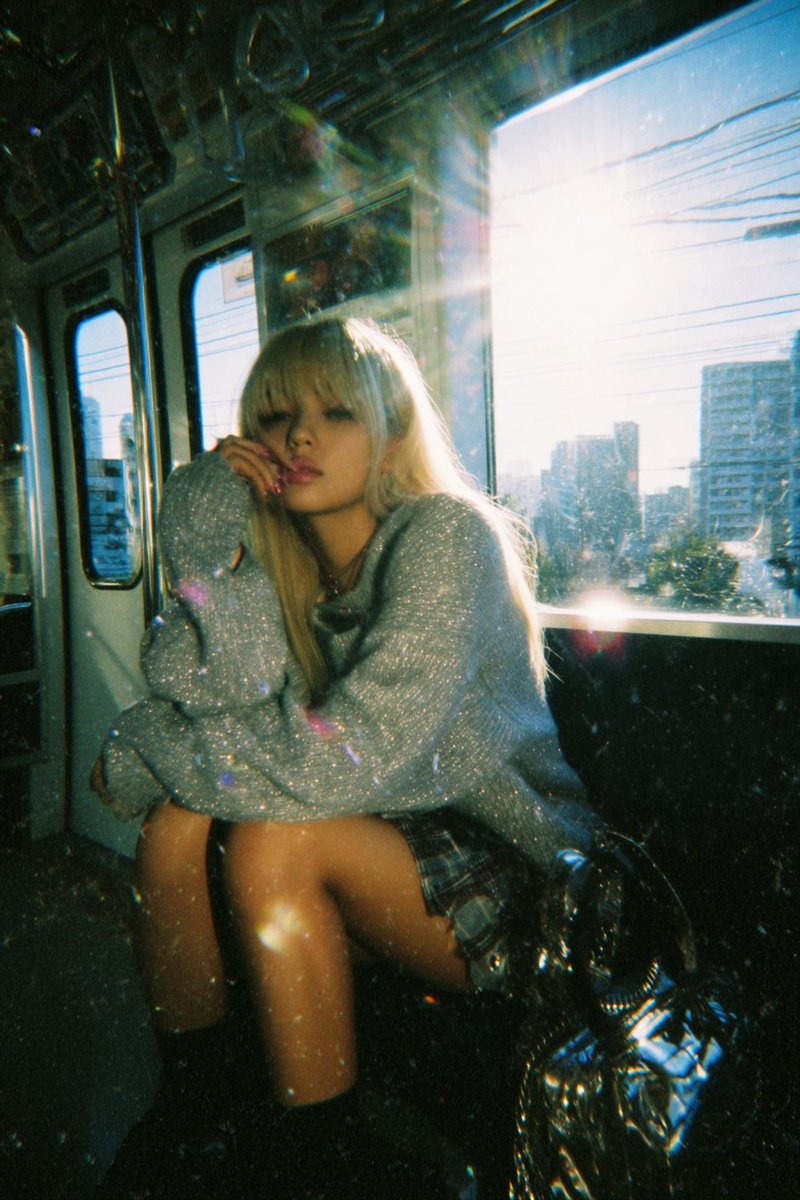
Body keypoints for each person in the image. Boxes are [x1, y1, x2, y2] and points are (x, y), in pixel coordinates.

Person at [91, 316, 593, 1199]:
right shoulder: (285, 570)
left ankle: (323, 1157)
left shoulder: (446, 538)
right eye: (276, 417)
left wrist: (143, 748)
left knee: (273, 843)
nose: (299, 436)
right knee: (178, 825)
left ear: (393, 433)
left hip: (521, 871)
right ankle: (197, 1107)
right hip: (377, 834)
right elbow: (212, 695)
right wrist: (205, 546)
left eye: (336, 412)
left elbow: (344, 760)